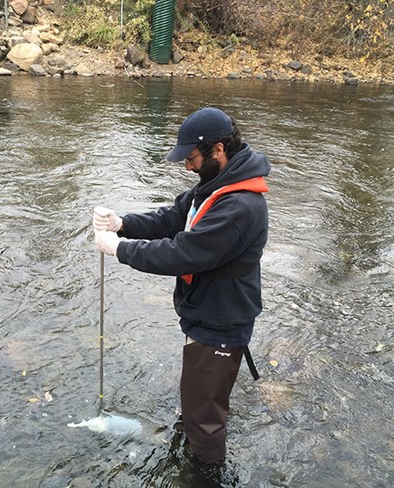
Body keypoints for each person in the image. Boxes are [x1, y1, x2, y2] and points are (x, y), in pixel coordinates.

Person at [92, 107, 271, 465]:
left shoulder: (240, 207)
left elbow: (184, 253)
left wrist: (121, 250)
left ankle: (203, 475)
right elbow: (174, 218)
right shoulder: (216, 184)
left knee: (204, 423)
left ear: (217, 150)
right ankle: (192, 431)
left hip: (220, 323)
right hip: (206, 312)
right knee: (199, 401)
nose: (187, 166)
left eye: (191, 158)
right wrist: (123, 223)